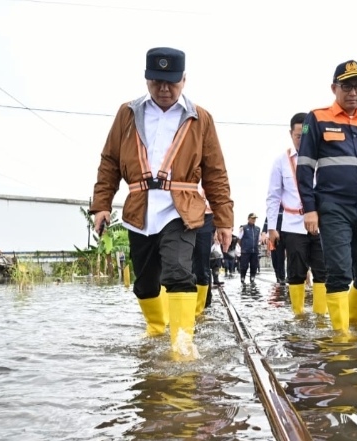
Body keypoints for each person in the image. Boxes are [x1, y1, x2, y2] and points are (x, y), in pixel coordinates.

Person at [90, 47, 233, 361]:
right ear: (146, 79)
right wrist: (101, 204)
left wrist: (224, 221)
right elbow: (110, 162)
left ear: (184, 79)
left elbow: (215, 171)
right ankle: (156, 329)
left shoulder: (200, 118)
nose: (164, 89)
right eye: (157, 82)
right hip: (139, 208)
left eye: (171, 82)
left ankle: (182, 342)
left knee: (179, 272)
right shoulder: (127, 113)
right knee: (145, 280)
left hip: (180, 207)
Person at [297, 60, 357, 335]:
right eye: (347, 86)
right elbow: (304, 166)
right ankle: (341, 337)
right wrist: (309, 208)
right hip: (333, 206)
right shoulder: (316, 118)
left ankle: (352, 322)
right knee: (339, 272)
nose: (353, 92)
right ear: (334, 88)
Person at [265, 112, 328, 316]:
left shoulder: (323, 159)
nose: (302, 140)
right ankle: (298, 315)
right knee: (296, 271)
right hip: (293, 224)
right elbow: (273, 196)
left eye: (306, 135)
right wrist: (272, 228)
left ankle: (320, 316)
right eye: (298, 135)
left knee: (322, 271)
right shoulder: (281, 161)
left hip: (321, 225)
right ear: (291, 134)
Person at [191, 197, 215, 313]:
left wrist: (224, 224)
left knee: (202, 262)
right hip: (179, 211)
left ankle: (201, 307)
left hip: (205, 214)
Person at [262, 208, 287, 284]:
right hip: (273, 237)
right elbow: (266, 223)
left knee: (281, 258)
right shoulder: (272, 210)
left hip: (284, 235)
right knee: (274, 258)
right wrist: (263, 232)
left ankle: (282, 278)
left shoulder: (286, 208)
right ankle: (277, 276)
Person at [238, 213, 261, 286]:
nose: (253, 220)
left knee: (254, 265)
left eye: (254, 219)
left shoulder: (257, 229)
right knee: (244, 265)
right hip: (246, 251)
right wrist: (243, 247)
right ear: (248, 219)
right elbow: (239, 238)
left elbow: (259, 240)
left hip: (255, 251)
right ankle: (242, 277)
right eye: (252, 218)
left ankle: (252, 278)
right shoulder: (244, 227)